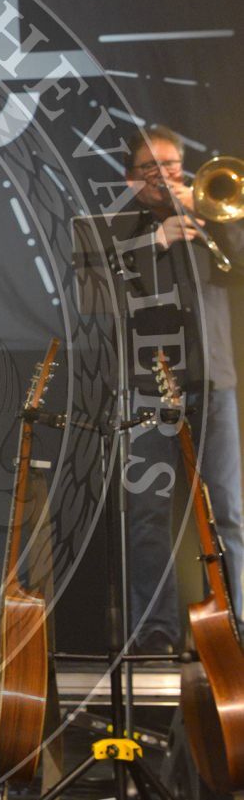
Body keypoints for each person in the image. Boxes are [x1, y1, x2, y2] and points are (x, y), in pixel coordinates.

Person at [119, 124, 244, 653]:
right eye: (151, 167)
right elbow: (102, 290)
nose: (164, 175)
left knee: (228, 512)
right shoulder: (121, 228)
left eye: (171, 165)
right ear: (132, 178)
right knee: (149, 515)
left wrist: (217, 220)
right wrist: (157, 240)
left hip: (215, 381)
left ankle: (235, 625)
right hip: (150, 388)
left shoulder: (212, 218)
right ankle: (155, 631)